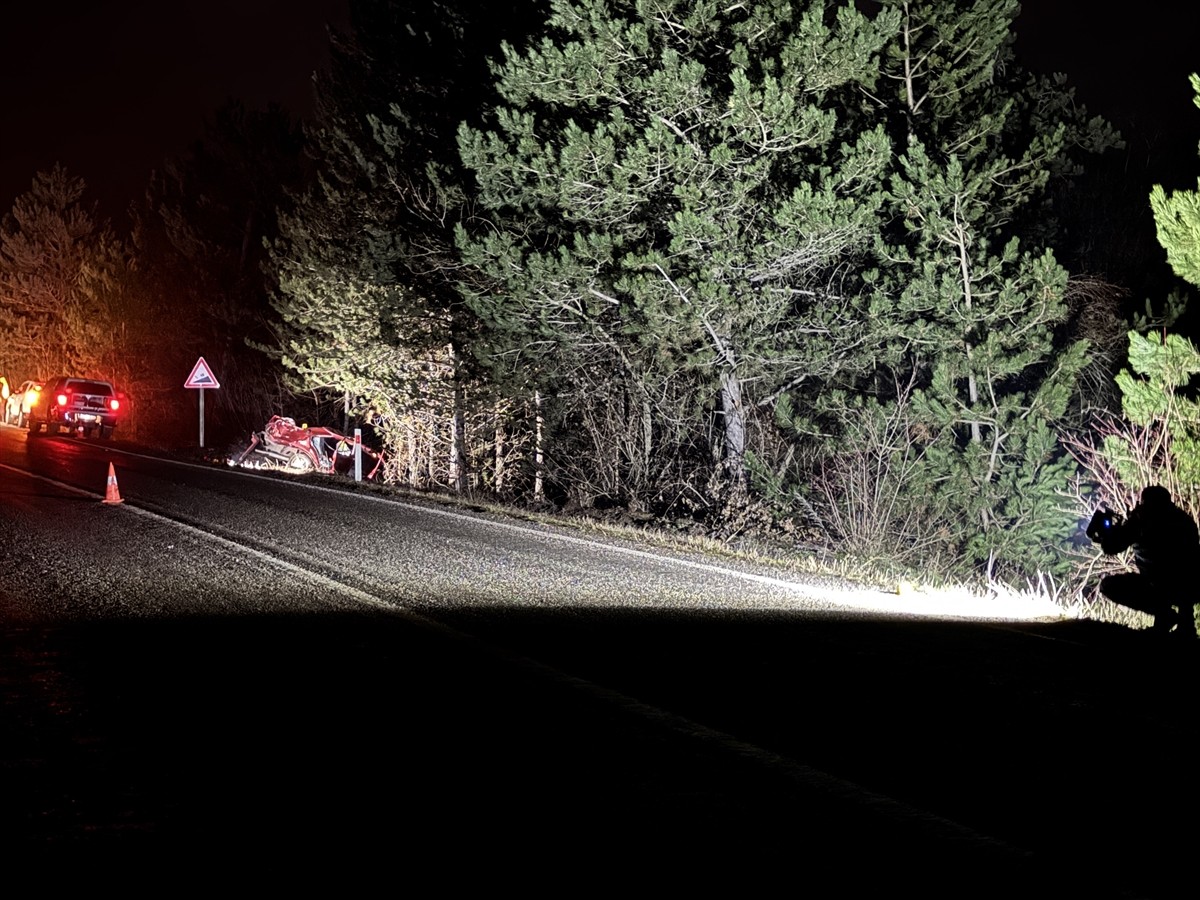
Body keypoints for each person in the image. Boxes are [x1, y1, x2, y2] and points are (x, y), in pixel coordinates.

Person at [1087, 485, 1198, 639]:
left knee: (1109, 586)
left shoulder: (1142, 520)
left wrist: (1104, 534)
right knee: (1180, 579)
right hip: (1190, 586)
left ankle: (1166, 617)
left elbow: (1112, 546)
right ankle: (1185, 625)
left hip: (1160, 584)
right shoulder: (1184, 520)